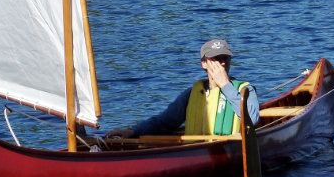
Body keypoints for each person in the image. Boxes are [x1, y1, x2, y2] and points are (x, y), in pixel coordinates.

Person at [106, 39, 259, 140]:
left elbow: (252, 120)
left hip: (227, 151)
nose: (223, 63)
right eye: (216, 59)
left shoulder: (245, 90)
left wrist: (226, 85)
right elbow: (163, 123)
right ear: (204, 64)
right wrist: (133, 131)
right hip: (196, 151)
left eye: (225, 58)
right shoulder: (192, 94)